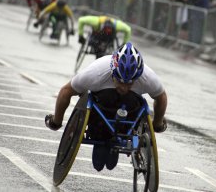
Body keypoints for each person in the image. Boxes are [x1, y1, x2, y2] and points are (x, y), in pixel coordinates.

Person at [45, 42, 168, 171]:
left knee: (134, 100)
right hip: (99, 114)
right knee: (100, 164)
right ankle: (102, 132)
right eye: (120, 81)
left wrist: (157, 123)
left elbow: (161, 97)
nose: (124, 87)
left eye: (130, 83)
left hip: (130, 112)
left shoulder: (147, 76)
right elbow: (66, 91)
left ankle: (130, 134)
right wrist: (57, 121)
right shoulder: (96, 71)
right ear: (112, 72)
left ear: (137, 75)